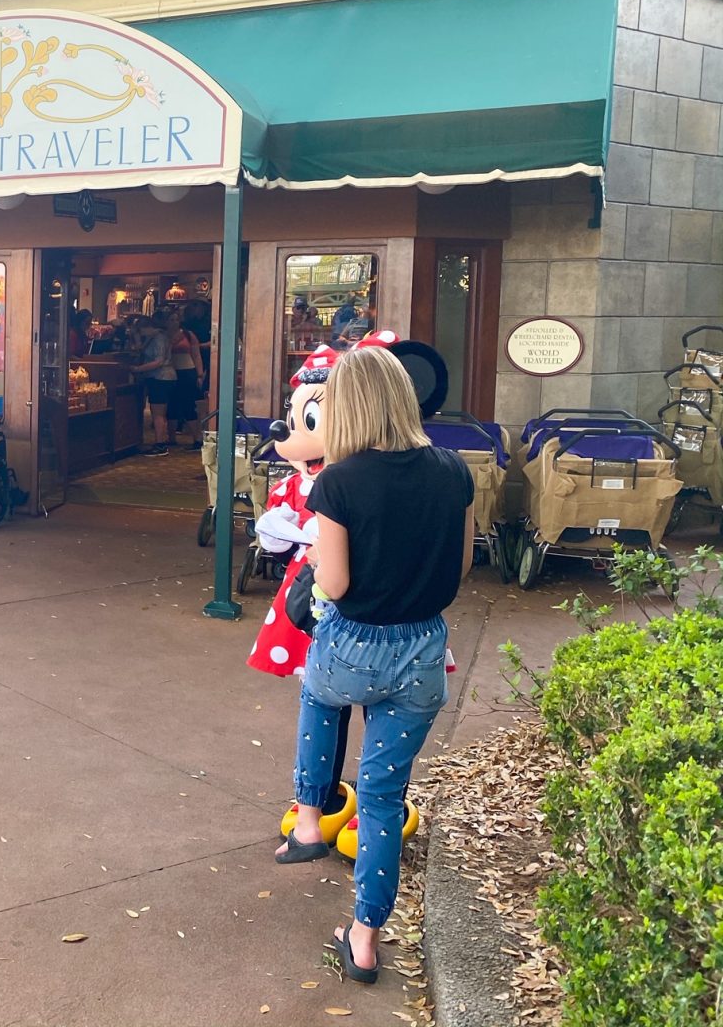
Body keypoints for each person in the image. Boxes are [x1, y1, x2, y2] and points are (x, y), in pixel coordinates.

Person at [274, 345, 473, 984]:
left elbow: (333, 579)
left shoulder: (340, 480)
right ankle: (363, 936)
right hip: (422, 651)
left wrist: (319, 590)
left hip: (353, 642)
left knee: (318, 698)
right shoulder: (452, 469)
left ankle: (308, 823)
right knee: (385, 798)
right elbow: (463, 566)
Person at [130, 312, 177, 456]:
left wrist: (138, 369)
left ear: (146, 327)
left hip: (161, 377)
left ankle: (160, 444)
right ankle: (160, 441)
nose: (141, 333)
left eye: (140, 330)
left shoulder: (159, 338)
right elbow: (139, 348)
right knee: (158, 412)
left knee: (158, 413)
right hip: (159, 377)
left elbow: (158, 361)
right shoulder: (153, 337)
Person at [166, 310, 203, 445]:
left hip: (187, 371)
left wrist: (199, 374)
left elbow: (196, 355)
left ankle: (197, 438)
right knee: (171, 405)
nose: (174, 322)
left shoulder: (188, 334)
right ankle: (171, 438)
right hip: (170, 372)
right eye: (171, 320)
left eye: (176, 319)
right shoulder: (163, 336)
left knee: (188, 404)